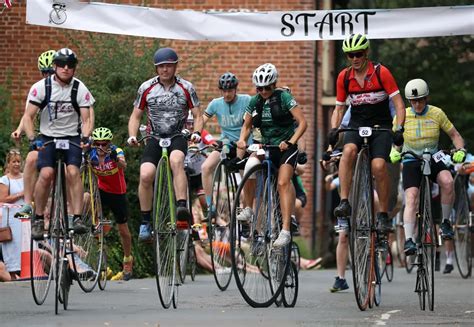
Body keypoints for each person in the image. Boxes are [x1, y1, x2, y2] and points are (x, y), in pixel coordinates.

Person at [328, 33, 406, 239]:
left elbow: (399, 104)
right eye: (350, 55)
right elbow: (338, 108)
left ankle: (382, 214)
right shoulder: (344, 77)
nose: (354, 58)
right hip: (357, 124)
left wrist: (400, 129)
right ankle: (344, 202)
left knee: (379, 166)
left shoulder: (381, 73)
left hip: (381, 126)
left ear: (366, 53)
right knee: (348, 151)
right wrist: (334, 130)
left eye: (358, 54)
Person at [390, 78, 465, 274]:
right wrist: (394, 151)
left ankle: (446, 223)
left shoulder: (437, 113)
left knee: (448, 182)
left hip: (433, 156)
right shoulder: (402, 116)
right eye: (413, 101)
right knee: (411, 197)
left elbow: (455, 135)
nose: (417, 104)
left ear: (426, 98)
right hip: (411, 160)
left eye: (420, 100)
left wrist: (461, 150)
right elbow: (396, 141)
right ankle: (408, 239)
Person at [127, 47, 202, 242]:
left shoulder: (186, 87)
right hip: (154, 136)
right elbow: (136, 116)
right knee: (145, 174)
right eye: (161, 66)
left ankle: (181, 208)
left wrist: (196, 133)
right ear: (156, 68)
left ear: (176, 66)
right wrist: (132, 135)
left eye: (169, 65)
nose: (165, 70)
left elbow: (198, 115)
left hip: (177, 135)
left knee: (176, 161)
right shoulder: (146, 88)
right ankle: (145, 222)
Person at [22, 48, 93, 240]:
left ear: (74, 68)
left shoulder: (80, 88)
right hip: (48, 138)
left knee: (73, 172)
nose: (66, 68)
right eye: (61, 64)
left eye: (70, 65)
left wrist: (86, 137)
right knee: (46, 174)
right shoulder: (41, 87)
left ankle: (76, 217)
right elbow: (28, 116)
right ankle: (37, 219)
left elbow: (86, 119)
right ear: (54, 66)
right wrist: (32, 139)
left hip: (71, 137)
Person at [236, 63, 307, 248]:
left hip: (285, 147)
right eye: (260, 88)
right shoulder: (254, 102)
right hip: (265, 145)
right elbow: (246, 125)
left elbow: (302, 123)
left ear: (274, 84)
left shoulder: (284, 97)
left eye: (267, 87)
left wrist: (291, 141)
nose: (264, 91)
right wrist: (243, 140)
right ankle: (249, 208)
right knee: (250, 166)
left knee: (283, 182)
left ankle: (284, 230)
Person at [11, 50, 56, 217]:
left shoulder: (70, 88)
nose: (47, 76)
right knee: (31, 158)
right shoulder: (38, 89)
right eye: (44, 72)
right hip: (43, 134)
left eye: (50, 72)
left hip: (65, 134)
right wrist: (19, 130)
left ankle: (72, 210)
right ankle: (28, 203)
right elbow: (27, 115)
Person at [197, 72, 250, 215]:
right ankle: (210, 206)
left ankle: (246, 213)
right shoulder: (216, 103)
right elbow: (202, 119)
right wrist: (196, 133)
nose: (227, 94)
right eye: (224, 91)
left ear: (236, 89)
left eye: (230, 91)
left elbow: (250, 124)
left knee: (246, 183)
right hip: (226, 143)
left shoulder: (246, 100)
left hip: (244, 144)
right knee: (206, 167)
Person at [88, 127, 133, 281]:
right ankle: (103, 264)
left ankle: (127, 260)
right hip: (101, 191)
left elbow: (123, 165)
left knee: (123, 230)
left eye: (104, 144)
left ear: (109, 143)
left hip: (118, 193)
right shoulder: (91, 153)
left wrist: (115, 159)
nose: (101, 147)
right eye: (98, 144)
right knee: (97, 224)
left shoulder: (116, 150)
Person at [0, 149, 25, 280]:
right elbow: (2, 199)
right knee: (12, 247)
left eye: (18, 162)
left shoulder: (26, 177)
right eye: (13, 161)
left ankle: (26, 273)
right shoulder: (4, 180)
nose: (16, 164)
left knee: (25, 245)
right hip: (11, 219)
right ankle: (12, 276)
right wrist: (20, 194)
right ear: (8, 164)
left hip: (25, 217)